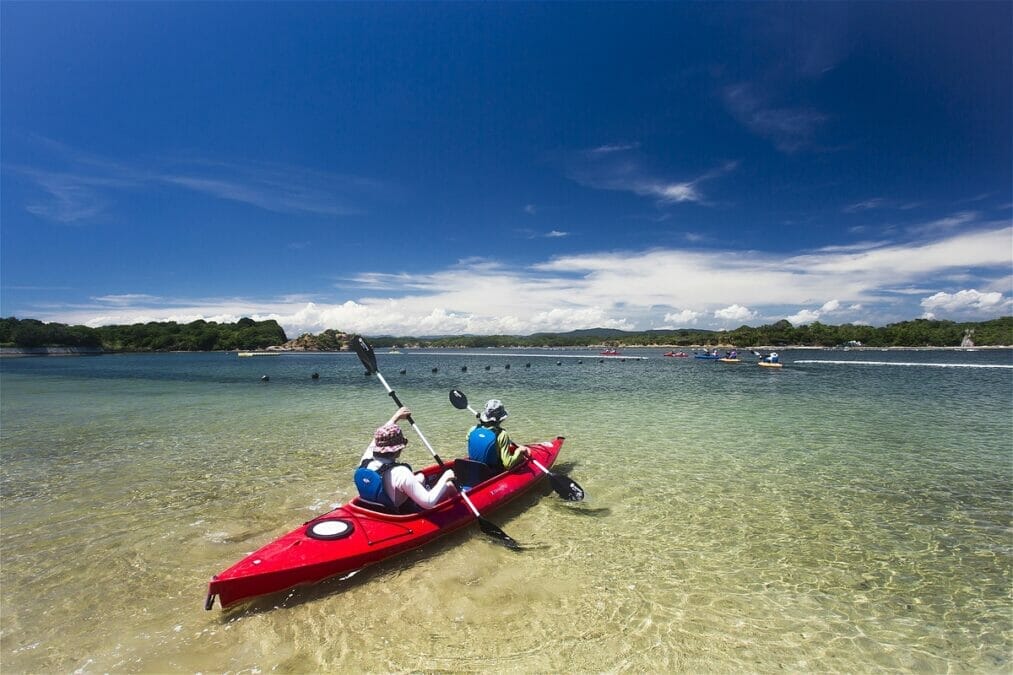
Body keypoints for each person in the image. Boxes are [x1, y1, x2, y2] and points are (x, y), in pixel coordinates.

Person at [354, 406, 457, 512]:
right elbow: (428, 503)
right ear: (397, 451)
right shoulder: (400, 473)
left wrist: (396, 417)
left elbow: (377, 439)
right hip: (399, 512)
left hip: (377, 506)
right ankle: (459, 509)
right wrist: (446, 477)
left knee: (421, 477)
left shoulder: (365, 461)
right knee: (449, 486)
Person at [466, 399, 528, 473]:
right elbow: (507, 464)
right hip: (490, 474)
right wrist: (519, 451)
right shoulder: (502, 435)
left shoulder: (472, 429)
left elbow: (479, 443)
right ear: (501, 419)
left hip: (471, 471)